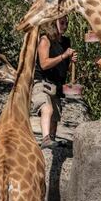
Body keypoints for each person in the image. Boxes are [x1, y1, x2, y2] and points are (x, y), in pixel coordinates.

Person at [32, 16, 77, 148]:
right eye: (62, 22)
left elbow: (64, 67)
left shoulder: (66, 41)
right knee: (47, 108)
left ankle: (51, 139)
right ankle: (45, 138)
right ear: (53, 23)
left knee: (55, 116)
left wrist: (71, 61)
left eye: (66, 23)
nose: (65, 25)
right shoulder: (45, 40)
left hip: (56, 84)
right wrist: (64, 56)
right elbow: (44, 64)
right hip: (42, 81)